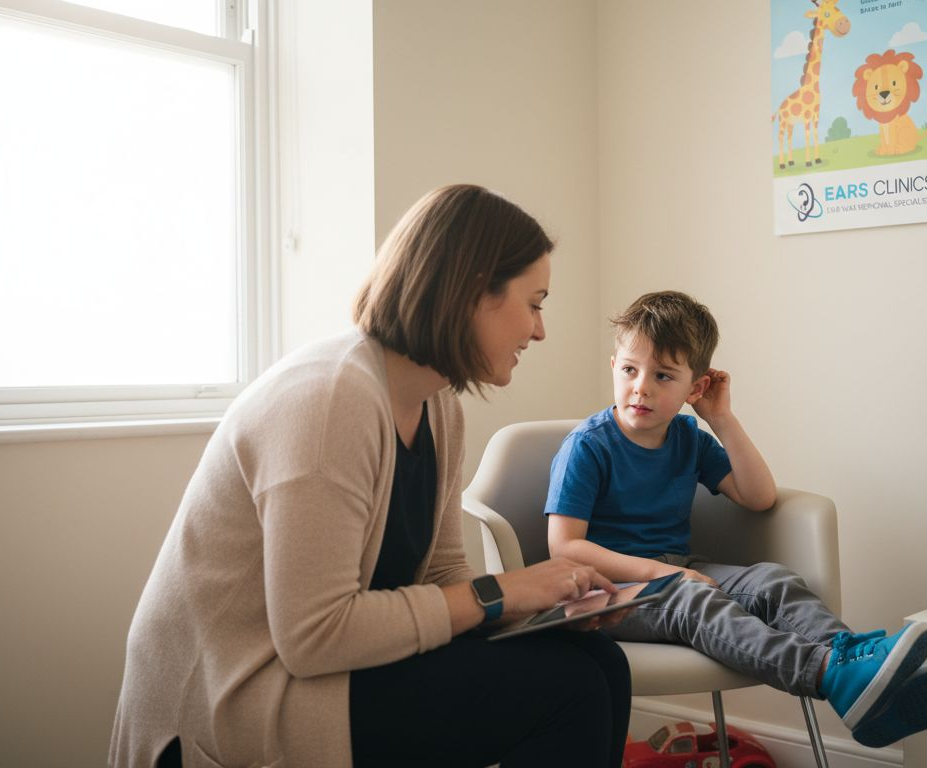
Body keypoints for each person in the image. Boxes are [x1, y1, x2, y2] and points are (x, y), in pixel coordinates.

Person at [110, 185, 630, 768]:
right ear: (472, 292)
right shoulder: (330, 402)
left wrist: (542, 611)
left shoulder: (438, 404)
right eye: (534, 304)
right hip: (243, 690)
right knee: (569, 690)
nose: (539, 331)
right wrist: (502, 591)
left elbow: (442, 574)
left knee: (601, 663)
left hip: (328, 668)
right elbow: (313, 636)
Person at [544, 290, 927, 747]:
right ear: (614, 367)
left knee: (772, 580)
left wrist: (721, 418)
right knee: (691, 600)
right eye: (629, 369)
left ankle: (855, 664)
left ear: (694, 389)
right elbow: (565, 547)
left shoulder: (688, 436)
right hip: (606, 590)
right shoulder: (589, 445)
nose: (641, 387)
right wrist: (665, 575)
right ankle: (826, 673)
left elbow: (758, 497)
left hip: (677, 568)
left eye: (663, 375)